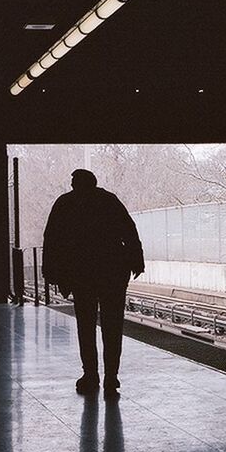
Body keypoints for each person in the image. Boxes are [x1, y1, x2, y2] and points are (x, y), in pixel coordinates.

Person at [42, 169, 145, 399]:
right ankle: (111, 377)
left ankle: (90, 375)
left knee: (85, 326)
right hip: (113, 272)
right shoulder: (108, 200)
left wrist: (52, 272)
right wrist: (136, 261)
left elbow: (52, 239)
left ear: (76, 183)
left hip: (82, 274)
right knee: (113, 326)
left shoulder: (65, 204)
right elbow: (129, 230)